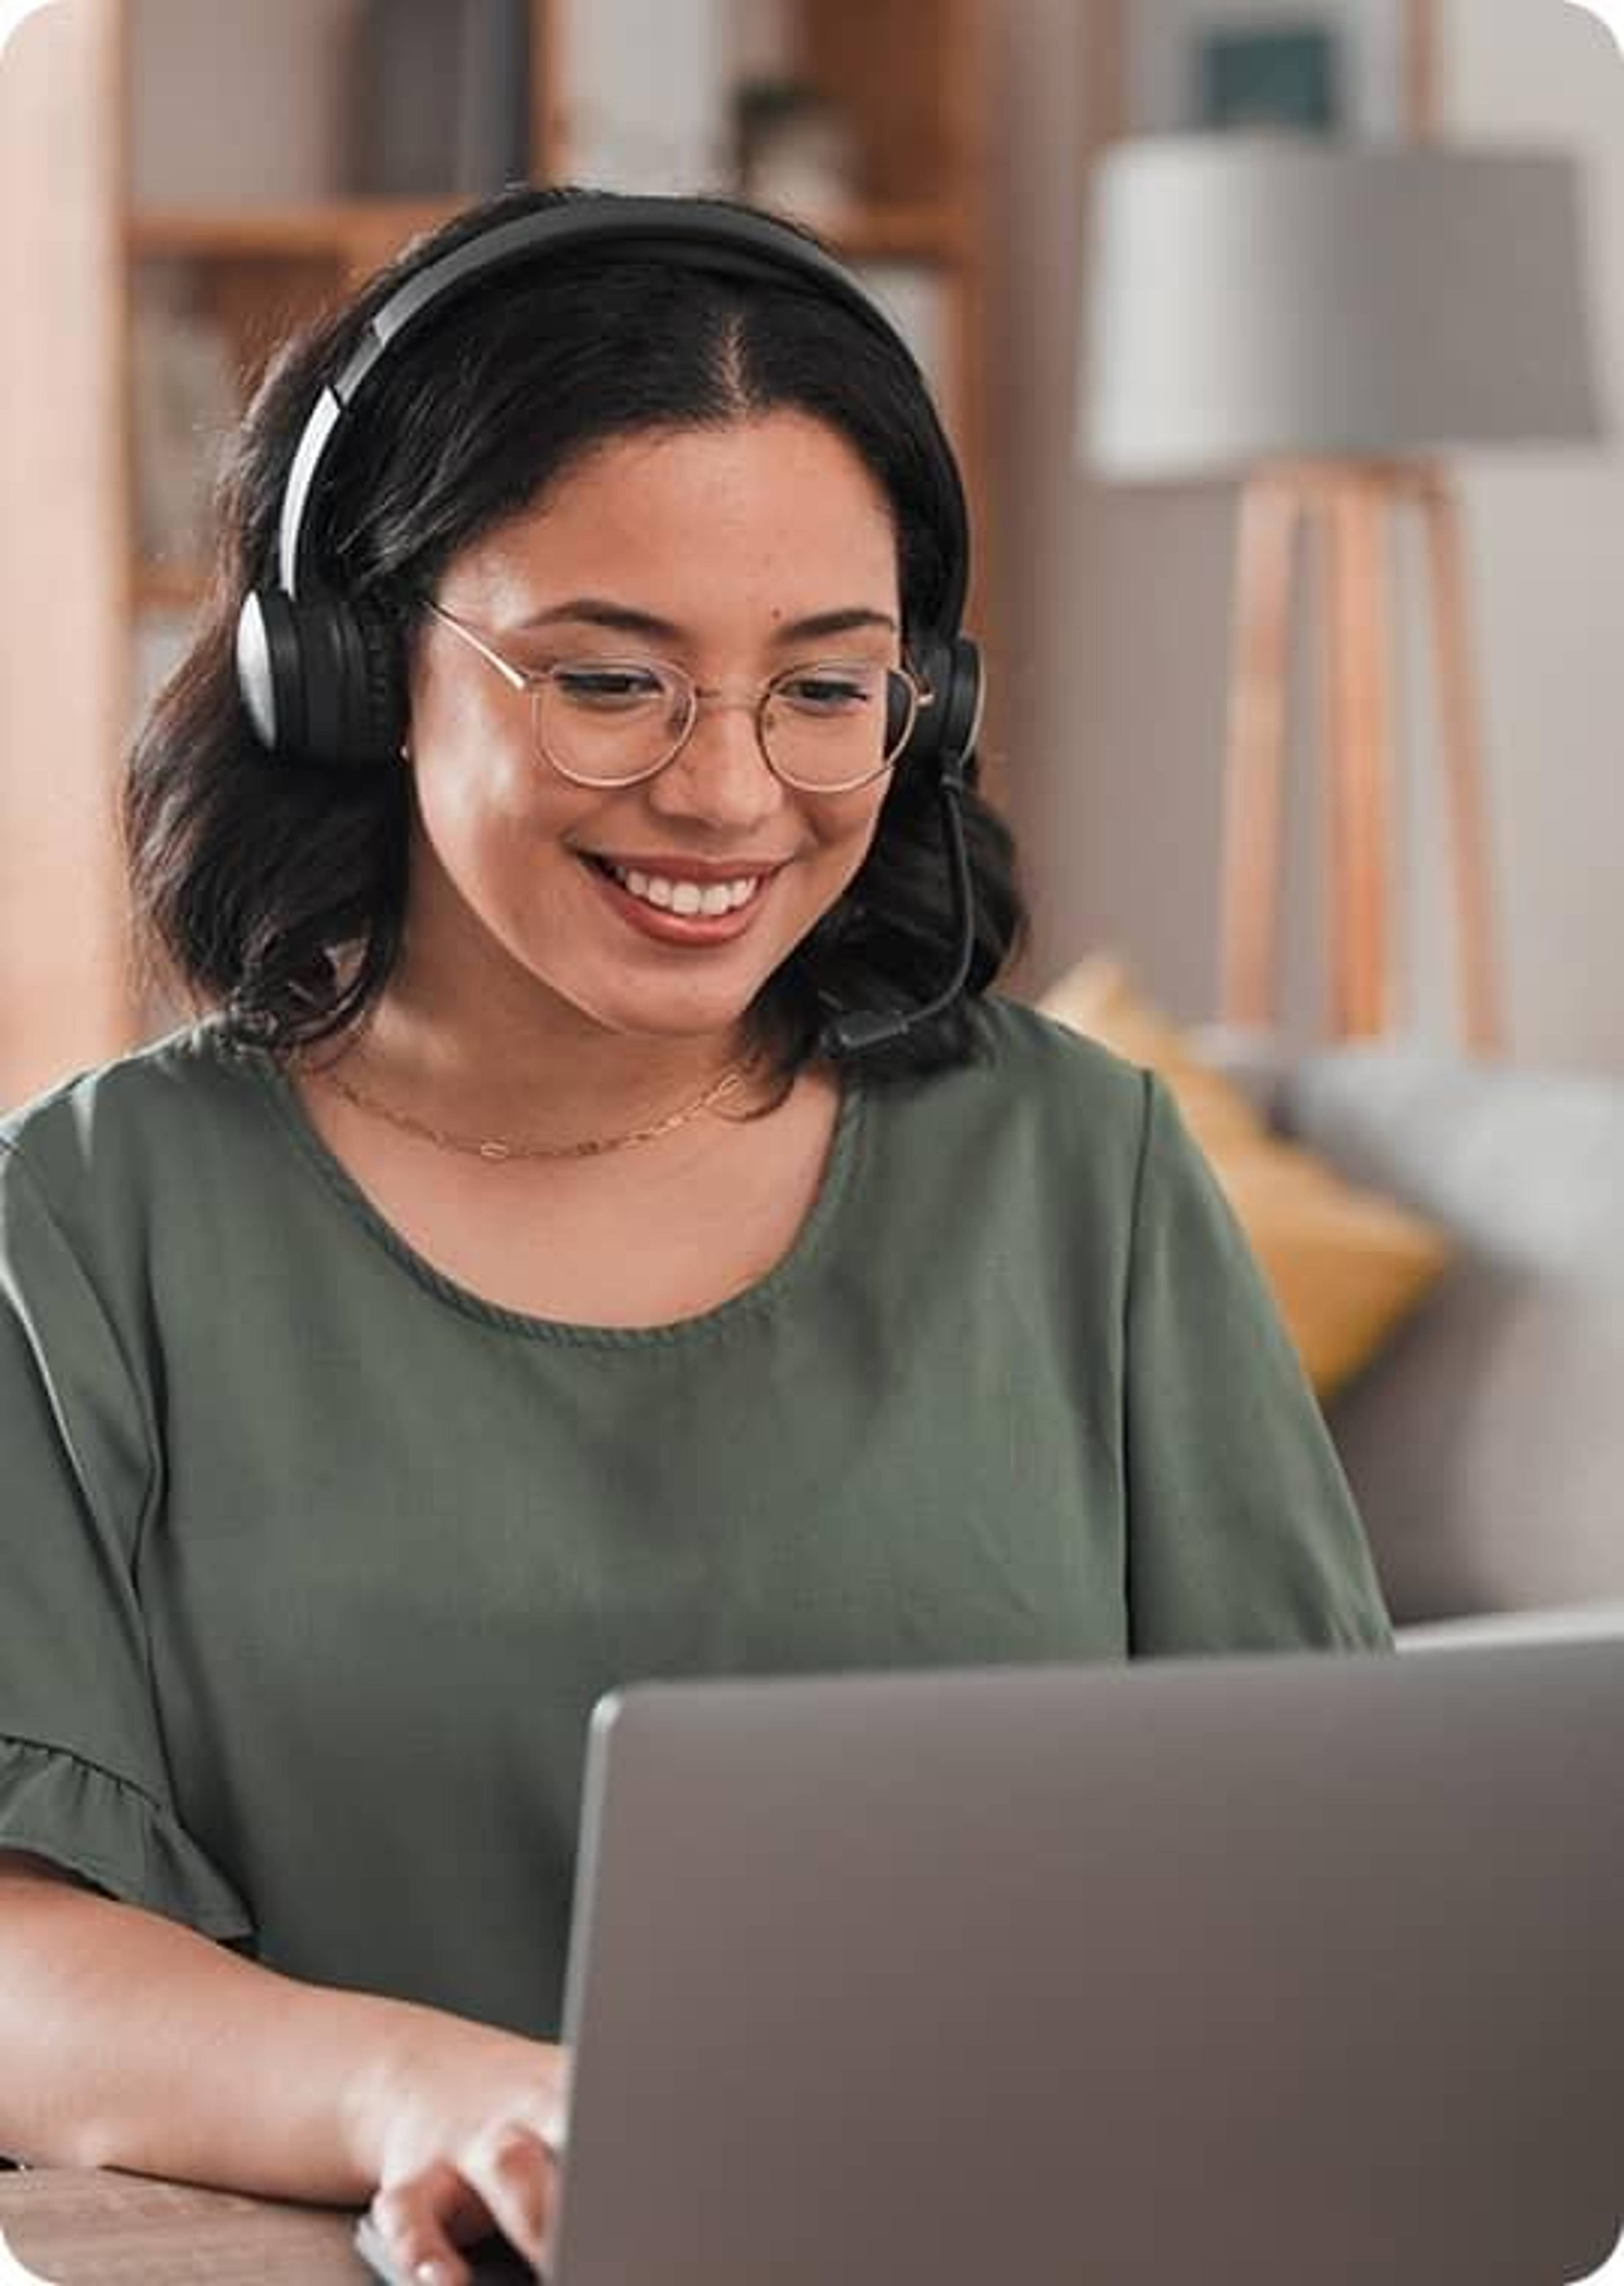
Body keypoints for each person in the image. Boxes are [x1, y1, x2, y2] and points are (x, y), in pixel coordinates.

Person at [0, 183, 1391, 2282]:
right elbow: (18, 1958)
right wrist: (436, 2093)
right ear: (350, 671)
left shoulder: (1079, 1171)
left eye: (826, 691)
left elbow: (1338, 1869)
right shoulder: (87, 1221)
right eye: (612, 679)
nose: (731, 797)